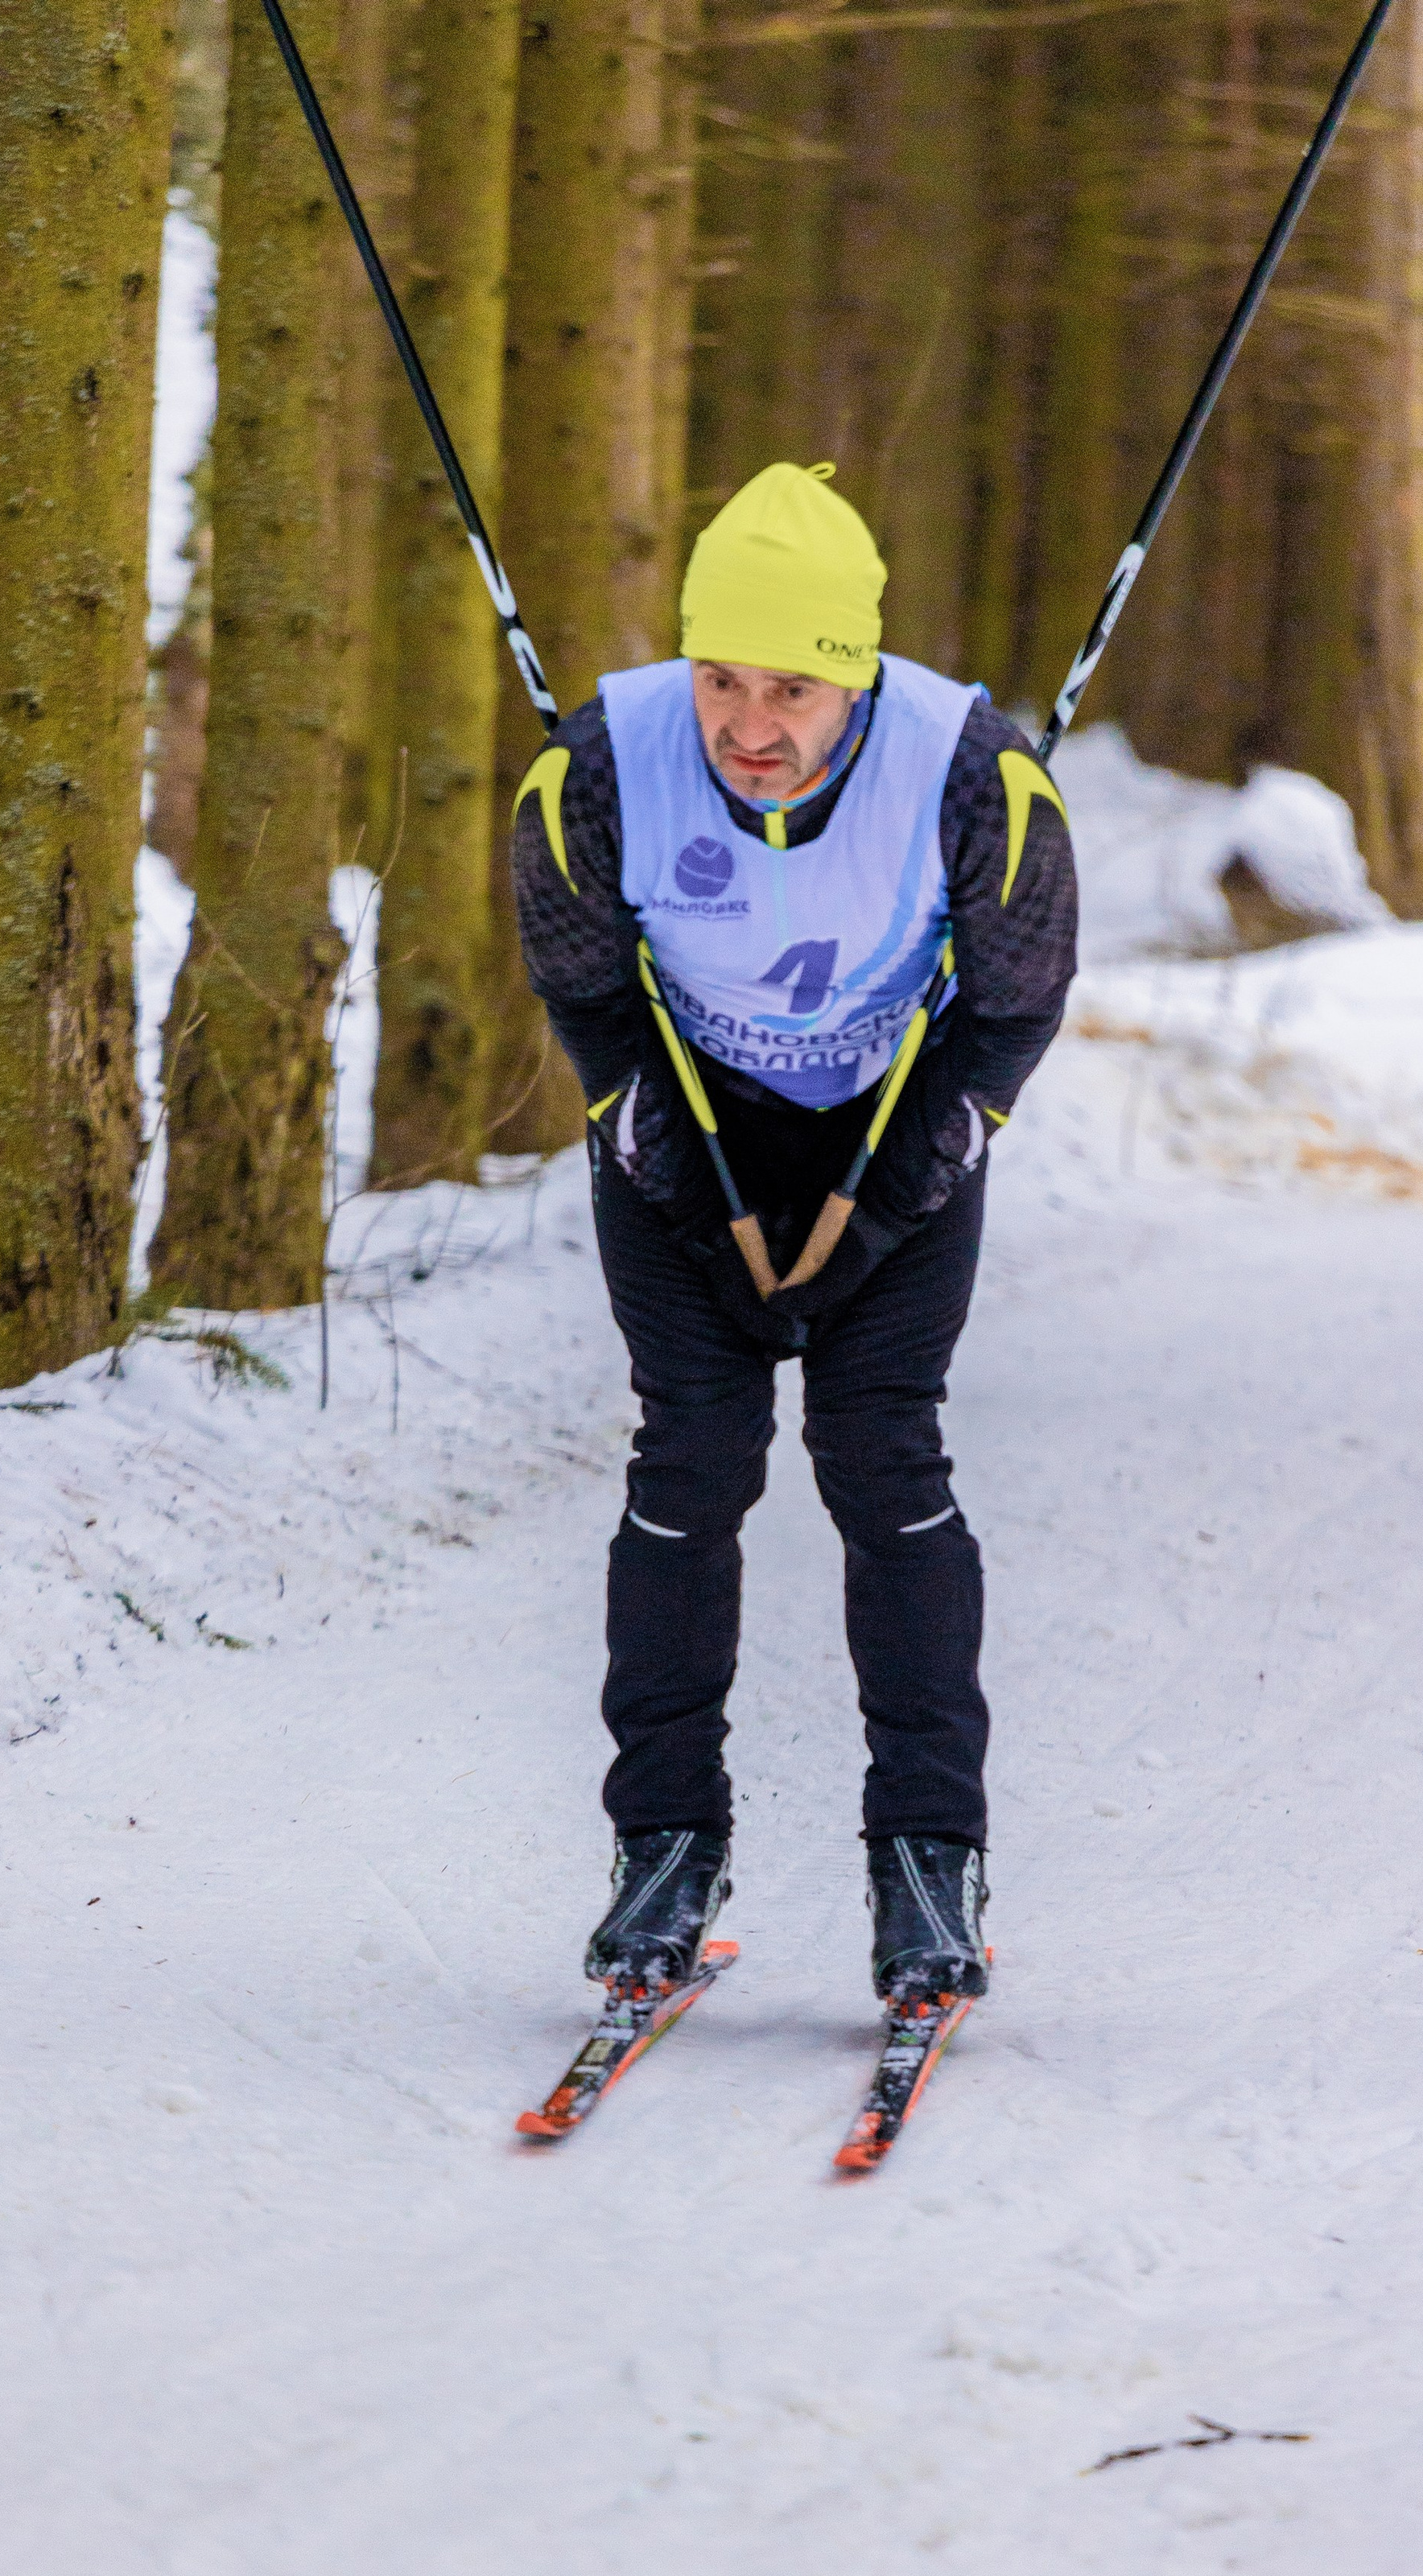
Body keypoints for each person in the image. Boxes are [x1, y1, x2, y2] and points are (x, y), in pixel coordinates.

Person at [511, 460, 1077, 2021]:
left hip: (889, 1130)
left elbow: (1011, 1012)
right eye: (719, 678)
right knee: (688, 1454)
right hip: (685, 1132)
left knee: (877, 1450)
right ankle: (663, 1852)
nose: (750, 726)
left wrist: (883, 1207)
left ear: (859, 676)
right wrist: (695, 1203)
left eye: (795, 687)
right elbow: (589, 1006)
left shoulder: (973, 776)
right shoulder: (595, 776)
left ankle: (924, 1866)